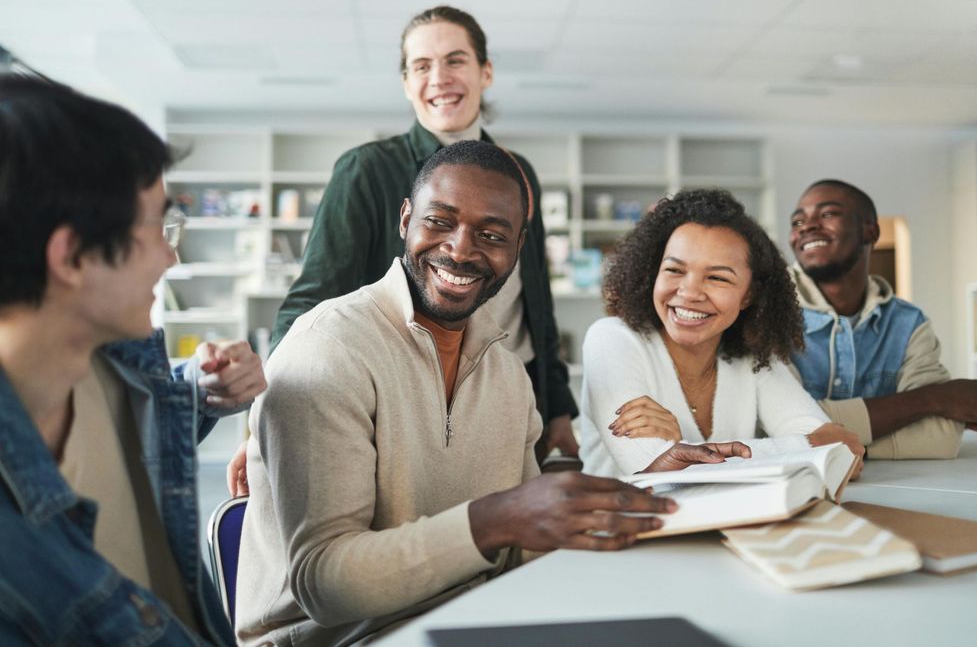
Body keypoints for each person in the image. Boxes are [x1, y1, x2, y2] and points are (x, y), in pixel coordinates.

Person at [235, 141, 747, 646]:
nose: (460, 249)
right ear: (405, 219)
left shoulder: (505, 373)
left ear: (518, 249)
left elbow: (516, 549)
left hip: (474, 618)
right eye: (439, 221)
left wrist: (645, 488)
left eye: (491, 234)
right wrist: (495, 520)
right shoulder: (327, 349)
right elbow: (326, 585)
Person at [0, 75, 265, 645]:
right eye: (157, 228)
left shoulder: (110, 362)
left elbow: (133, 421)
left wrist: (199, 393)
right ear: (71, 256)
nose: (171, 255)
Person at [270, 5, 578, 460]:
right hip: (403, 397)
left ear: (485, 72)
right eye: (422, 65)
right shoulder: (366, 170)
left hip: (514, 394)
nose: (439, 77)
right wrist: (267, 413)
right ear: (406, 82)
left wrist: (558, 411)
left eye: (455, 60)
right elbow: (313, 299)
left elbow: (537, 304)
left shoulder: (519, 173)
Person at [581, 189, 863, 478]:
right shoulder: (611, 339)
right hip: (618, 522)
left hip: (727, 522)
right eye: (674, 270)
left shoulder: (751, 356)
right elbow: (654, 472)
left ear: (748, 295)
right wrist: (805, 446)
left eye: (717, 277)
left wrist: (684, 451)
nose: (689, 292)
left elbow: (842, 455)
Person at [788, 179, 977, 459]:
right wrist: (932, 399)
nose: (807, 227)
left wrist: (827, 447)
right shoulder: (767, 315)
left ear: (870, 231)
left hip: (893, 489)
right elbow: (777, 428)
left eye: (827, 214)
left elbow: (942, 438)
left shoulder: (909, 325)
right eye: (797, 222)